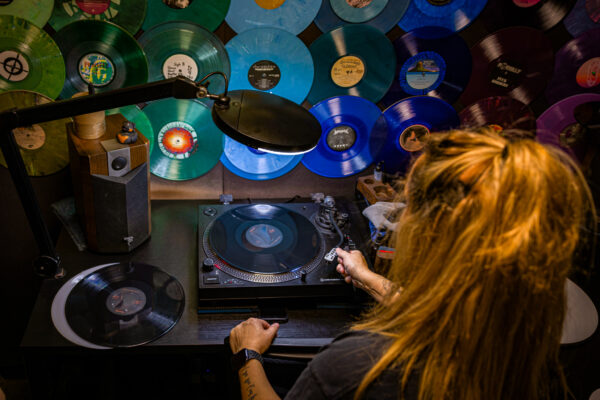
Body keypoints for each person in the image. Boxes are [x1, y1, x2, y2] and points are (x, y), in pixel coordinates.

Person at [229, 128, 595, 400]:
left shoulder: (358, 367)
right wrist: (369, 278)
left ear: (426, 235)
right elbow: (452, 318)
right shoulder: (548, 353)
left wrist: (248, 356)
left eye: (405, 211)